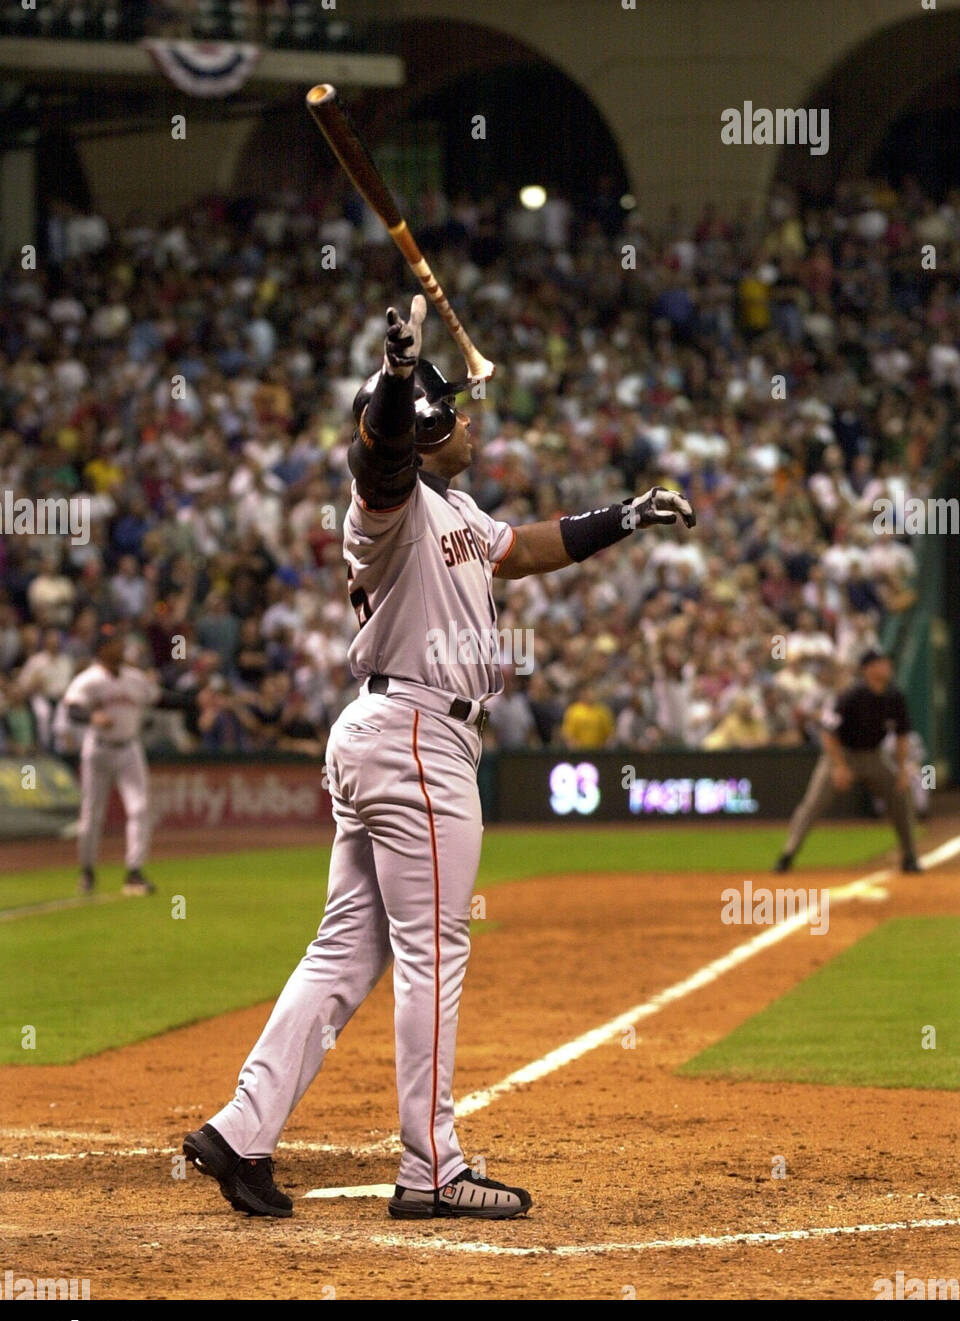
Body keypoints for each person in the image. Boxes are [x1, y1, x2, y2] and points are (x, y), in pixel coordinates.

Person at [183, 295, 696, 1221]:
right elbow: (373, 460)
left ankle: (240, 1129)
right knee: (432, 953)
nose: (470, 422)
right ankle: (431, 1169)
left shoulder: (452, 509)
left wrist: (622, 517)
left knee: (348, 949)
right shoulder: (393, 505)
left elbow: (527, 548)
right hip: (417, 735)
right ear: (421, 431)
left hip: (398, 734)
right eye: (450, 413)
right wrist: (392, 381)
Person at [775, 649, 921, 874]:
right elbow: (828, 732)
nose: (887, 667)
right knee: (813, 803)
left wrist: (902, 769)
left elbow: (902, 735)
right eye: (882, 663)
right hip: (841, 754)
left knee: (901, 795)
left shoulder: (895, 696)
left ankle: (909, 856)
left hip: (874, 756)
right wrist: (839, 766)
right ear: (869, 669)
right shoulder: (851, 695)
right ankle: (787, 854)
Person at [61, 625, 160, 896]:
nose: (121, 647)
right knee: (92, 815)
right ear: (102, 649)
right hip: (99, 750)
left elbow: (158, 698)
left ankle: (134, 872)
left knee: (139, 808)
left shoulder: (135, 678)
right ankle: (88, 871)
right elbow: (72, 710)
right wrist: (93, 718)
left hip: (130, 749)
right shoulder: (89, 679)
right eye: (115, 643)